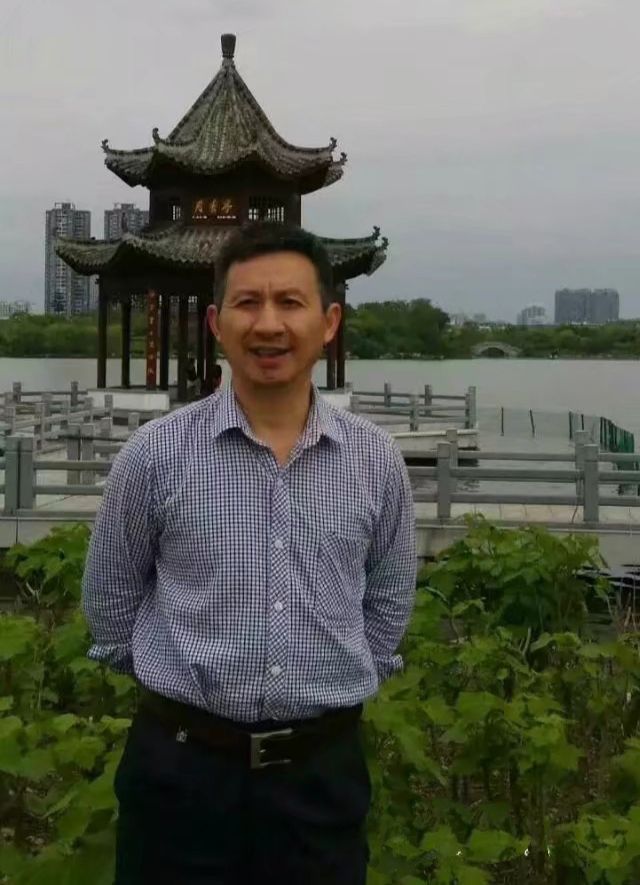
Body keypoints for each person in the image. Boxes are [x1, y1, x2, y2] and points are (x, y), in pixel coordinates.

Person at [81, 221, 417, 885]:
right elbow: (110, 604)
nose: (268, 325)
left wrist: (333, 684)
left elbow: (387, 604)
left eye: (290, 302)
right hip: (181, 772)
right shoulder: (155, 455)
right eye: (247, 303)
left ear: (329, 322)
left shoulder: (375, 461)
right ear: (216, 322)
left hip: (320, 775)